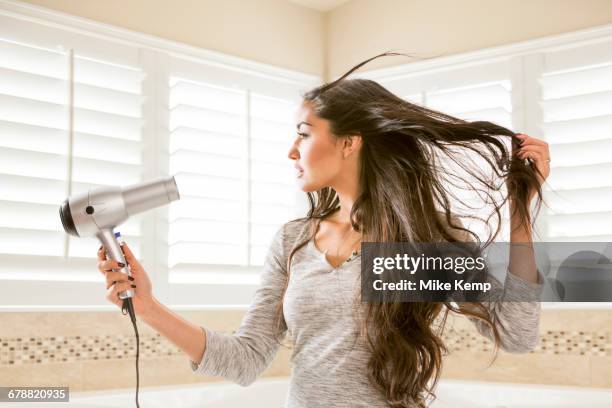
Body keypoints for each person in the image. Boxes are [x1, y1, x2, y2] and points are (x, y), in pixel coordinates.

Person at [97, 52, 550, 408]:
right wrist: (150, 306)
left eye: (304, 134)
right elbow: (246, 359)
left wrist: (519, 210)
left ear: (350, 142)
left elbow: (516, 335)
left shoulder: (419, 242)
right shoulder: (293, 242)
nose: (291, 151)